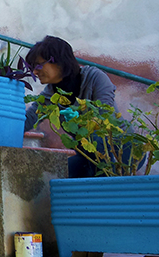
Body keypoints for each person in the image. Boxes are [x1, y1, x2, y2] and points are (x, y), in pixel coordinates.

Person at [24, 35, 119, 177]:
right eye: (32, 68)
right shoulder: (50, 96)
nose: (35, 72)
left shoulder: (95, 78)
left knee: (97, 143)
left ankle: (106, 189)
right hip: (88, 154)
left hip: (119, 148)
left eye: (38, 65)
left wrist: (79, 121)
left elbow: (104, 115)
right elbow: (28, 119)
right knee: (62, 176)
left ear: (58, 61)